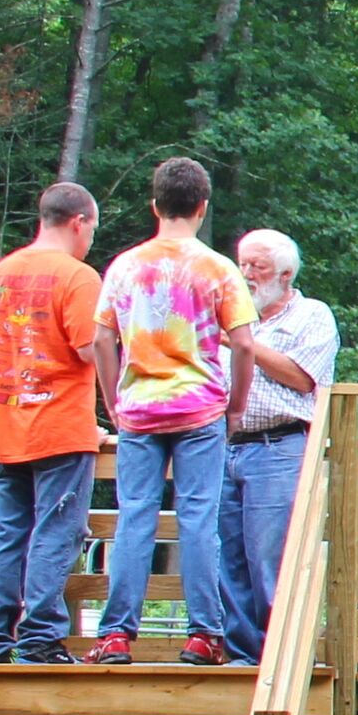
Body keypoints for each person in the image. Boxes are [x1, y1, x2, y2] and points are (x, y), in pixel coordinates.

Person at [88, 158, 260, 667]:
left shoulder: (124, 266)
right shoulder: (216, 268)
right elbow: (244, 345)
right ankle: (204, 633)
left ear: (155, 205)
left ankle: (116, 634)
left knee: (134, 518)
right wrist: (236, 407)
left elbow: (101, 337)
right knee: (199, 520)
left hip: (140, 409)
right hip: (200, 409)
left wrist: (112, 400)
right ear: (202, 208)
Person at [0, 182, 105, 665]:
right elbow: (86, 348)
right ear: (79, 222)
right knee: (57, 532)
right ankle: (39, 639)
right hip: (61, 427)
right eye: (91, 228)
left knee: (5, 532)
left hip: (7, 429)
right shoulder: (77, 278)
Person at [215, 229, 336, 663]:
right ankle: (242, 655)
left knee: (270, 558)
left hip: (279, 446)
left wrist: (243, 345)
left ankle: (282, 658)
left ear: (285, 274)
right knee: (228, 556)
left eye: (257, 266)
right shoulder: (228, 316)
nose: (246, 274)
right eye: (242, 263)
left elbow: (303, 378)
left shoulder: (313, 316)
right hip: (224, 447)